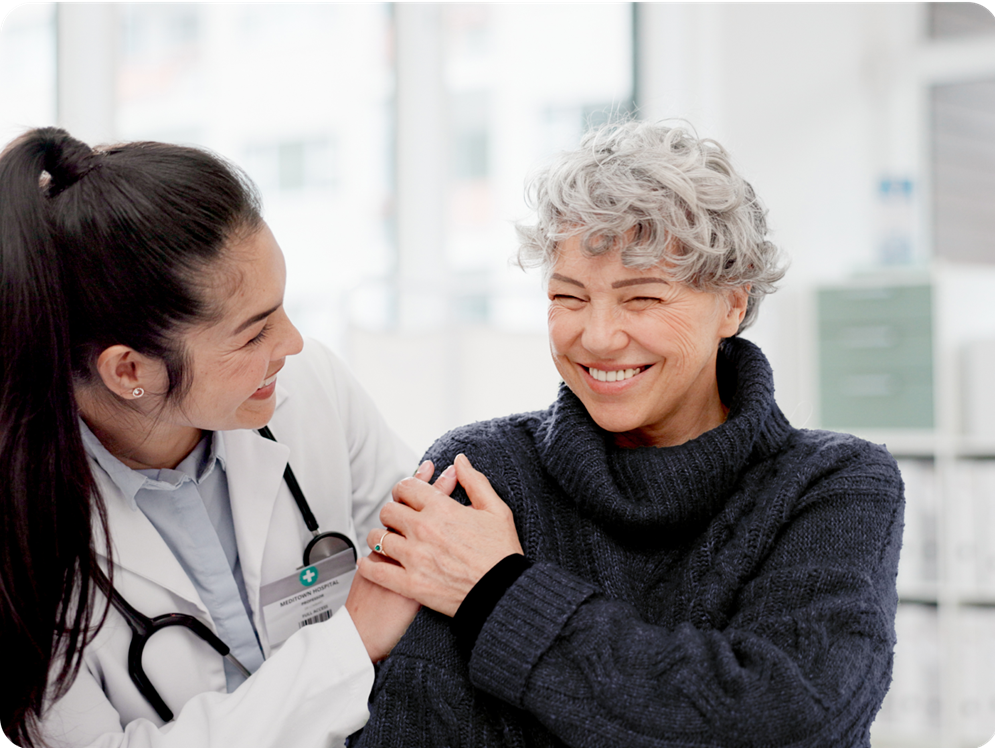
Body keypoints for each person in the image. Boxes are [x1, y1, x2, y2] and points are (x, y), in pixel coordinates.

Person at [349, 121, 905, 747]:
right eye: (569, 297)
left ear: (732, 303)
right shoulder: (482, 471)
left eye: (641, 299)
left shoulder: (834, 484)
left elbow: (791, 721)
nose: (598, 337)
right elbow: (415, 730)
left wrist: (498, 594)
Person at [0, 127, 444, 748]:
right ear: (129, 371)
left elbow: (425, 577)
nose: (293, 343)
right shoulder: (18, 528)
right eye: (253, 333)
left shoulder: (310, 390)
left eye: (282, 308)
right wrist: (347, 647)